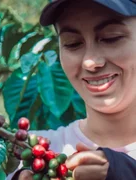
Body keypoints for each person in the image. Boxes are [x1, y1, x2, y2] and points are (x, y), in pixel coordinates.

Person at [7, 0, 136, 179]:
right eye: (72, 43)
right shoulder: (37, 153)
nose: (90, 62)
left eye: (110, 38)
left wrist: (125, 172)